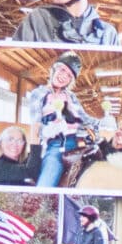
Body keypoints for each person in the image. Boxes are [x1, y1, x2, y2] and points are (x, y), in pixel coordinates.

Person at [23, 55, 97, 187]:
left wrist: (102, 122)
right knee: (47, 182)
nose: (64, 76)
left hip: (80, 142)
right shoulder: (39, 94)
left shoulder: (71, 97)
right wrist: (34, 156)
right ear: (54, 69)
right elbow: (36, 128)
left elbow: (85, 119)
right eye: (62, 70)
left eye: (69, 75)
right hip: (57, 145)